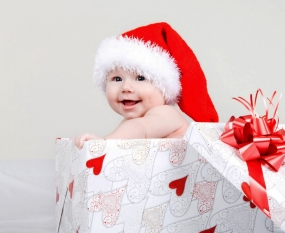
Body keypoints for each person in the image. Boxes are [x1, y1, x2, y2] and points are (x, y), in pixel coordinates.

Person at [74, 22, 219, 148]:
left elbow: (141, 128)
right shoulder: (133, 122)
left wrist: (104, 143)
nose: (126, 88)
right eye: (117, 79)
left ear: (164, 88)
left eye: (140, 78)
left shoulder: (165, 113)